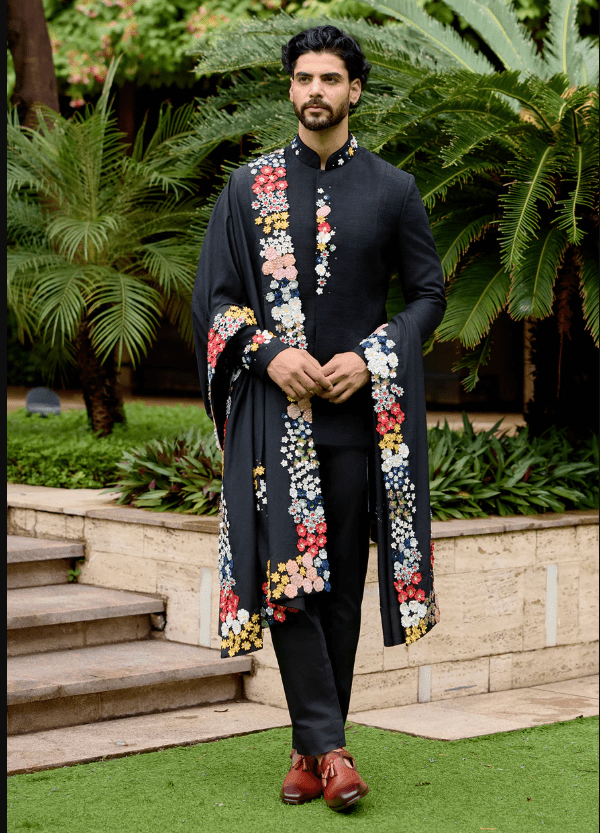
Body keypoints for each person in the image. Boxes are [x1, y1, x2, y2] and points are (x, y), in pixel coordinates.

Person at [192, 25, 446, 812]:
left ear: (354, 90)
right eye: (303, 78)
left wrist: (374, 354)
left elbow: (428, 295)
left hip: (359, 425)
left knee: (338, 588)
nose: (315, 91)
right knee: (289, 581)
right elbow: (216, 300)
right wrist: (267, 353)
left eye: (330, 79)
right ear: (291, 88)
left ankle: (309, 751)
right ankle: (334, 750)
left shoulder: (393, 189)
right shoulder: (249, 188)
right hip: (276, 425)